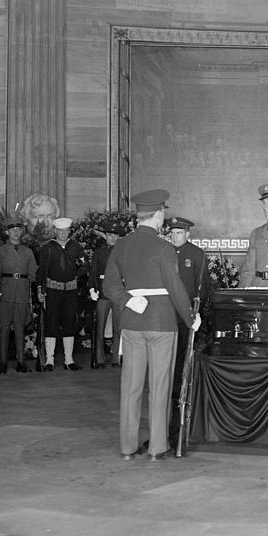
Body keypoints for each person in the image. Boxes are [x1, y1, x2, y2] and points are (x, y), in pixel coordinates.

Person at [103, 190, 200, 461]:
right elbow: (175, 288)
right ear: (158, 215)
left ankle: (127, 446)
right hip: (161, 323)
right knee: (160, 386)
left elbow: (109, 284)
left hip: (133, 322)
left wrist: (127, 300)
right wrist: (191, 318)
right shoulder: (164, 247)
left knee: (131, 387)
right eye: (162, 215)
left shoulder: (121, 245)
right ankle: (157, 447)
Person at [165, 215, 210, 447]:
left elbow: (204, 288)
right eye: (172, 233)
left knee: (184, 357)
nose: (175, 237)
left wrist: (197, 311)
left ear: (188, 234)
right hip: (166, 316)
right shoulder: (164, 252)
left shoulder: (197, 255)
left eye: (179, 233)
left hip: (187, 318)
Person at [0, 217, 38, 373]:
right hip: (5, 294)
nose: (15, 233)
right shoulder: (1, 251)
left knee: (19, 329)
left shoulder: (28, 252)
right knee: (3, 329)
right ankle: (2, 362)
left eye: (18, 230)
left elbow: (33, 274)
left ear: (22, 232)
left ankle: (20, 362)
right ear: (7, 232)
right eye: (12, 230)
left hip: (22, 295)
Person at [37, 217, 86, 370]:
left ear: (69, 231)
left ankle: (69, 360)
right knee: (51, 322)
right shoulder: (48, 248)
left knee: (69, 323)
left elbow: (84, 265)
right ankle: (49, 360)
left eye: (66, 231)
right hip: (52, 291)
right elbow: (41, 271)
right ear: (55, 231)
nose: (63, 234)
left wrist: (76, 277)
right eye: (60, 231)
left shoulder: (76, 247)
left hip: (70, 292)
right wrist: (40, 289)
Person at [88, 221, 125, 369]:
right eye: (110, 235)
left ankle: (117, 357)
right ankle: (99, 358)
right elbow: (93, 272)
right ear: (105, 236)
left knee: (118, 327)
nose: (113, 238)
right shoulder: (99, 252)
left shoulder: (124, 251)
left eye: (115, 235)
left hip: (119, 292)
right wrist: (91, 288)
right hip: (103, 292)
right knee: (99, 326)